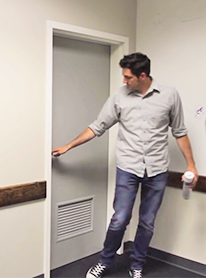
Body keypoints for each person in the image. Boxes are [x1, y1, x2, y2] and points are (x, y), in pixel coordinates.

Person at [52, 52, 198, 278]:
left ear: (142, 75)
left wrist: (191, 166)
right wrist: (69, 146)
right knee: (120, 218)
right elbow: (97, 126)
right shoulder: (119, 97)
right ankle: (104, 261)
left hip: (157, 170)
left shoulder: (169, 95)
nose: (124, 81)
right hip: (128, 168)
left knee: (147, 222)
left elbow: (180, 132)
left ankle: (137, 265)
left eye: (128, 77)